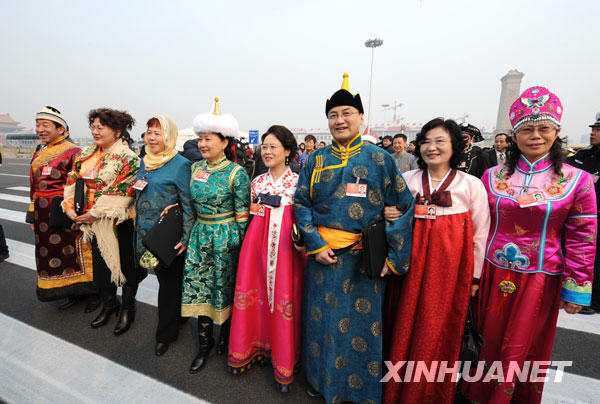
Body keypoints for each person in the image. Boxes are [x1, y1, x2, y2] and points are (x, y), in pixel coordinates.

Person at [459, 86, 596, 404]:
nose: (535, 136)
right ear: (515, 135)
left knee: (522, 347)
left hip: (540, 278)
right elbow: (476, 227)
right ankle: (476, 395)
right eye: (527, 129)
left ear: (556, 132)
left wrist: (576, 288)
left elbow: (582, 236)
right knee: (486, 341)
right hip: (492, 275)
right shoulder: (491, 176)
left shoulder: (577, 181)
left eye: (543, 128)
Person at [294, 73, 414, 404]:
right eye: (333, 115)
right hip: (323, 260)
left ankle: (358, 391)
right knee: (322, 325)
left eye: (347, 113)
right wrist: (315, 244)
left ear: (361, 118)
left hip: (364, 264)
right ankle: (320, 382)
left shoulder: (380, 159)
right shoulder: (315, 160)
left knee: (362, 328)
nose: (340, 120)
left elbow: (405, 207)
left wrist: (393, 258)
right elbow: (301, 204)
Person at [382, 118, 491, 404]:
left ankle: (428, 393)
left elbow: (481, 235)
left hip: (449, 271)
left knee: (437, 329)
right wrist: (388, 213)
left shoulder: (472, 185)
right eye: (427, 141)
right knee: (402, 324)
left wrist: (475, 277)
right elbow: (390, 216)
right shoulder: (408, 180)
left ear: (455, 145)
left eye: (440, 141)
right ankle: (396, 391)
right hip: (409, 269)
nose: (432, 147)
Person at [227, 125, 307, 392]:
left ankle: (283, 362)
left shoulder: (297, 182)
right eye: (265, 146)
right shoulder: (257, 182)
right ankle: (255, 348)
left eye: (274, 147)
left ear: (287, 151)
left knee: (283, 300)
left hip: (286, 251)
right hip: (256, 249)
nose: (268, 151)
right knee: (256, 298)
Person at [182, 98, 251, 374]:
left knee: (226, 288)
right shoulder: (195, 169)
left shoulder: (237, 173)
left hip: (227, 239)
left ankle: (227, 340)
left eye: (208, 139)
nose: (202, 144)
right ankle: (204, 344)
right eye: (200, 139)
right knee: (201, 288)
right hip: (200, 236)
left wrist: (239, 245)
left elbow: (242, 215)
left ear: (225, 142)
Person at [64, 108, 144, 333]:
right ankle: (109, 304)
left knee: (127, 268)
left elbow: (125, 190)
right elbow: (72, 181)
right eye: (93, 126)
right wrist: (70, 208)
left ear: (117, 132)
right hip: (92, 223)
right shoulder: (85, 154)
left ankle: (128, 308)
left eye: (101, 127)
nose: (96, 131)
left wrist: (96, 213)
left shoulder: (129, 158)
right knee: (101, 268)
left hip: (119, 222)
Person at [133, 116, 194, 356]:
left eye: (158, 133)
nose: (152, 137)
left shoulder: (180, 164)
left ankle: (166, 334)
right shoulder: (144, 161)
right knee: (163, 281)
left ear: (169, 137)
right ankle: (177, 317)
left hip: (168, 236)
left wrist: (186, 237)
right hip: (144, 233)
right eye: (149, 132)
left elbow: (188, 203)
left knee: (168, 286)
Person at [27, 106, 95, 306]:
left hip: (65, 209)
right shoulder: (39, 153)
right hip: (42, 214)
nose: (40, 129)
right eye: (38, 125)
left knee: (74, 250)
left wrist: (78, 213)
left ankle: (88, 291)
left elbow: (81, 186)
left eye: (45, 125)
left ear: (61, 129)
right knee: (50, 252)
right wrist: (32, 216)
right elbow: (32, 186)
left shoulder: (73, 152)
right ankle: (68, 290)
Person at [567, 112, 600, 314]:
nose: (593, 133)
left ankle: (594, 300)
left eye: (597, 130)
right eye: (593, 129)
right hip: (577, 215)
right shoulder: (581, 157)